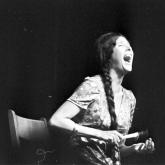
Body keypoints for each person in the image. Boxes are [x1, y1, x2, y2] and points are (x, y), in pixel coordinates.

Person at [49, 32, 155, 165]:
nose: (130, 49)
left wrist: (134, 149)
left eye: (130, 47)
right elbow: (56, 120)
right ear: (108, 56)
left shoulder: (129, 98)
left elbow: (117, 149)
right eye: (122, 45)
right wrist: (100, 134)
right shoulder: (92, 86)